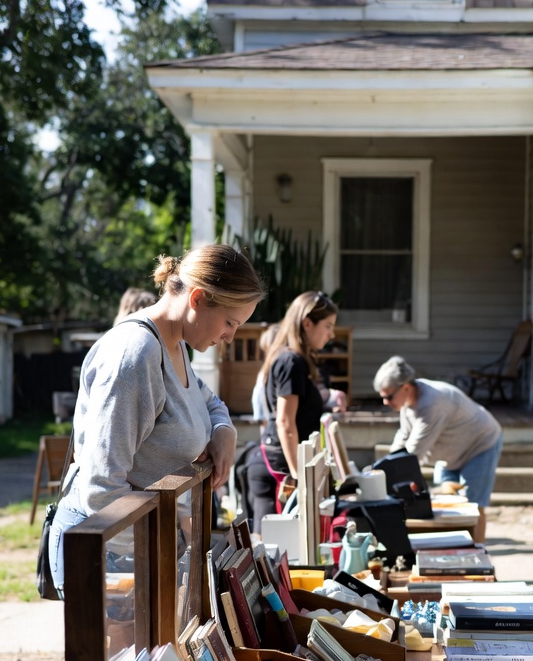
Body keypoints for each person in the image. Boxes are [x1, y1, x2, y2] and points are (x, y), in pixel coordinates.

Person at [49, 244, 264, 596]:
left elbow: (210, 403)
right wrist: (177, 529)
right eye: (230, 322)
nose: (230, 337)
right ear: (197, 299)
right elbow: (101, 491)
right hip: (109, 561)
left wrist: (224, 431)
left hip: (143, 549)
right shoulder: (136, 355)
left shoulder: (175, 345)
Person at [373, 356, 503, 540]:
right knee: (444, 504)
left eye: (388, 396)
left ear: (406, 387)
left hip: (479, 445)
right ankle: (454, 550)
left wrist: (384, 477)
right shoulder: (407, 402)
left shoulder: (432, 402)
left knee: (472, 507)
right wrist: (379, 468)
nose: (385, 402)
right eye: (382, 397)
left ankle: (477, 553)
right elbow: (403, 437)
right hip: (450, 454)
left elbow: (413, 453)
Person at [246, 291, 344, 534]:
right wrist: (298, 476)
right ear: (307, 323)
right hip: (286, 460)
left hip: (290, 456)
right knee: (288, 537)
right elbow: (285, 422)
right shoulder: (291, 362)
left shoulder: (293, 359)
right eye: (328, 326)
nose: (331, 334)